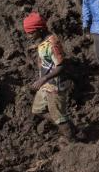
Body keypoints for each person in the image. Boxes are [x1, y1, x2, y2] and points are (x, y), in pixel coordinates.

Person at [23, 11, 75, 139]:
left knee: (59, 118)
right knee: (37, 110)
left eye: (30, 33)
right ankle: (70, 127)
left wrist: (44, 79)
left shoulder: (52, 44)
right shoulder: (44, 40)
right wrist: (36, 46)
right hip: (47, 84)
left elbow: (61, 66)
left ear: (39, 30)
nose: (28, 36)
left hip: (55, 85)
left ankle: (73, 141)